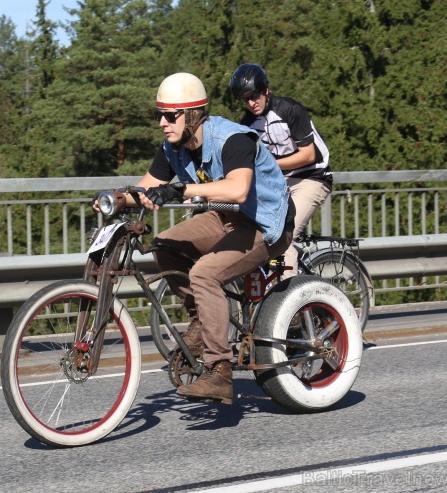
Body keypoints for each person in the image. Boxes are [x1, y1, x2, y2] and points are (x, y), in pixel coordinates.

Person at [96, 72, 294, 404]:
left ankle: (218, 372)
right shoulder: (173, 147)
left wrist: (183, 188)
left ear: (192, 114)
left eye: (170, 115)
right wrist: (115, 197)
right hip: (226, 219)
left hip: (266, 225)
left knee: (204, 273)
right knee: (166, 244)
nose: (162, 122)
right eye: (159, 114)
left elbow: (238, 188)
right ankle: (201, 323)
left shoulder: (233, 139)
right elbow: (145, 188)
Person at [229, 63, 332, 279]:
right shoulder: (248, 124)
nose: (251, 103)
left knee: (284, 237)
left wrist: (271, 163)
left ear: (266, 90)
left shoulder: (289, 110)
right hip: (279, 182)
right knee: (254, 234)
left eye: (255, 95)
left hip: (312, 177)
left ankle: (289, 307)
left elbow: (308, 155)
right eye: (245, 99)